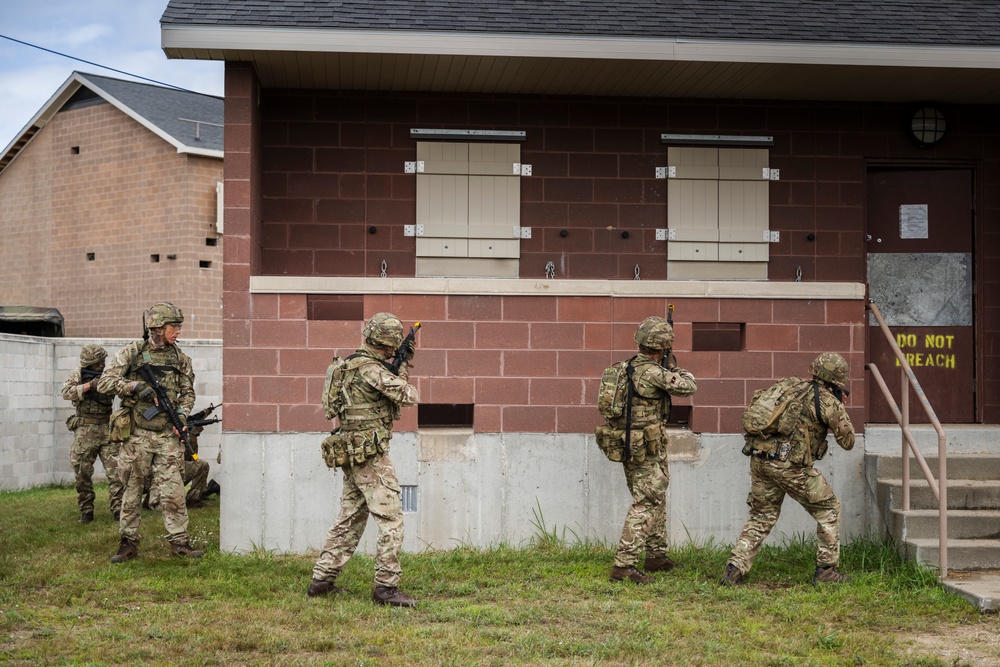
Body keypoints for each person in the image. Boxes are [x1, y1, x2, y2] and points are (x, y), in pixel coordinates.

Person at [308, 312, 419, 607]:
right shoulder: (371, 370)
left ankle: (322, 580)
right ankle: (386, 587)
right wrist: (403, 367)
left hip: (353, 451)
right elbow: (408, 395)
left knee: (350, 517)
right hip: (370, 455)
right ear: (389, 343)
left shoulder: (349, 364)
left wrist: (398, 363)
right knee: (391, 518)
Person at [721, 353, 856, 586]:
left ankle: (734, 568)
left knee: (761, 515)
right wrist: (840, 409)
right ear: (837, 379)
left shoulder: (790, 387)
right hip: (791, 466)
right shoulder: (827, 401)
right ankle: (826, 570)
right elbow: (848, 442)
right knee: (829, 508)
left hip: (761, 459)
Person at [97, 302, 203, 562]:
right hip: (137, 434)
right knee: (132, 488)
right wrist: (134, 387)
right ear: (156, 327)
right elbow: (104, 383)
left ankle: (180, 542)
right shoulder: (132, 353)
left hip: (167, 434)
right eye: (173, 327)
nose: (178, 331)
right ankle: (128, 543)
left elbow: (188, 393)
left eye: (179, 326)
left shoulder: (180, 359)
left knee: (173, 489)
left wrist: (182, 415)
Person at [608, 316, 698, 584]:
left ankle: (656, 555)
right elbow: (689, 387)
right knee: (647, 501)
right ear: (662, 347)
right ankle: (623, 566)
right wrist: (675, 368)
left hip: (634, 444)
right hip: (645, 447)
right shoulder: (654, 372)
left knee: (656, 497)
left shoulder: (623, 368)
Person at [61, 343, 122, 523]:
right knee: (82, 473)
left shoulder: (109, 373)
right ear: (89, 364)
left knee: (117, 473)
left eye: (102, 362)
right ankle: (86, 511)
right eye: (97, 364)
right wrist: (90, 385)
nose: (102, 365)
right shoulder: (78, 374)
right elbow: (66, 393)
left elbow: (121, 388)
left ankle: (118, 509)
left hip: (107, 429)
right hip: (85, 431)